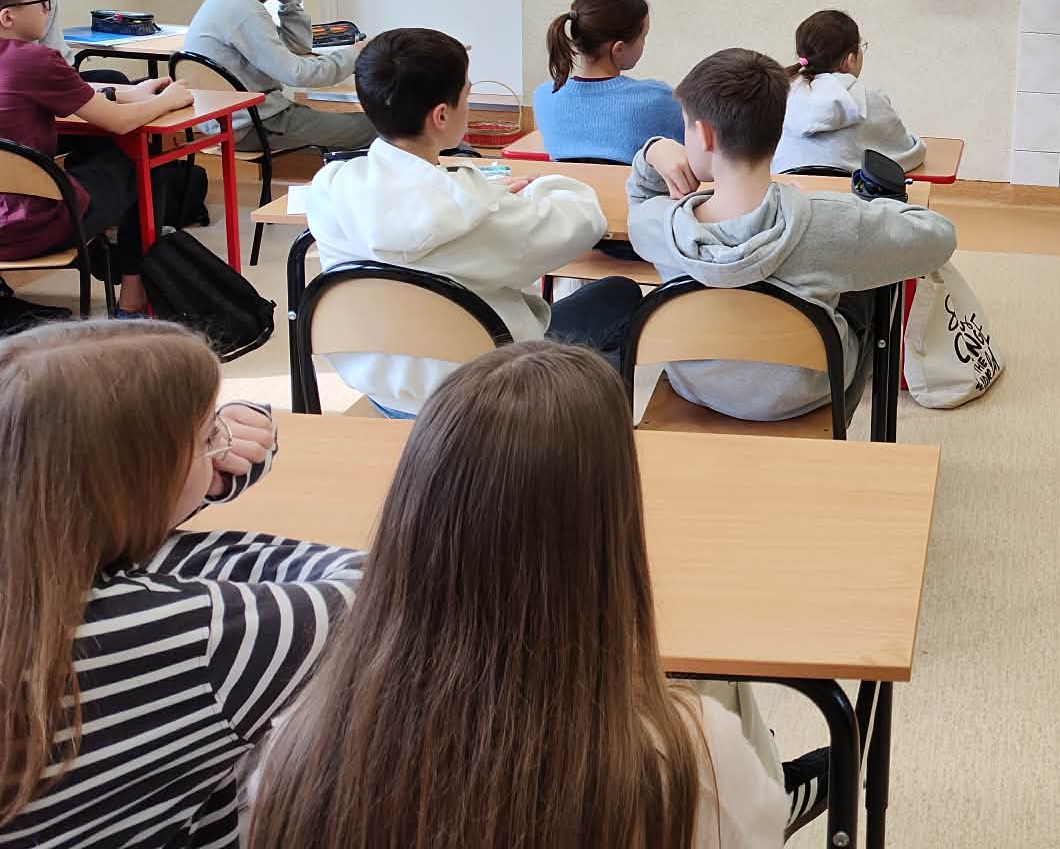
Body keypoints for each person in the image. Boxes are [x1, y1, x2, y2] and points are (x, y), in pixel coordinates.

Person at [246, 342, 792, 849]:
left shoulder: (299, 748)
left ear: (412, 519)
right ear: (611, 520)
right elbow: (762, 829)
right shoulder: (689, 764)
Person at [0, 321, 360, 847]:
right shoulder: (195, 639)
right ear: (137, 483)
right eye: (210, 436)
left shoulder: (35, 570)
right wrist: (188, 488)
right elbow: (379, 589)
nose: (223, 442)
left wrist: (191, 478)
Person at [301, 27, 643, 417]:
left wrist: (476, 191)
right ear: (441, 115)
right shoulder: (483, 215)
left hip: (386, 391)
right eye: (467, 93)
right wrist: (528, 190)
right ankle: (575, 421)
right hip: (489, 393)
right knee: (618, 294)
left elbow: (411, 203)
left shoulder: (329, 189)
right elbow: (584, 221)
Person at [629, 47, 956, 422]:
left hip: (696, 385)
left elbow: (640, 198)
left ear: (703, 135)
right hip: (808, 389)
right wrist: (840, 206)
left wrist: (653, 152)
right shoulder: (831, 220)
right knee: (873, 286)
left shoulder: (658, 225)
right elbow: (939, 237)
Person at [0, 0, 196, 315]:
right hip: (27, 227)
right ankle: (132, 299)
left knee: (94, 153)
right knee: (146, 159)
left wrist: (120, 93)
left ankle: (108, 241)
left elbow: (77, 93)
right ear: (8, 16)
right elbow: (120, 122)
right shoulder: (33, 60)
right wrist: (166, 100)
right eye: (40, 0)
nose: (47, 8)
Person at [182, 0, 376, 156]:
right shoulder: (245, 11)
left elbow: (297, 47)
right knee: (380, 127)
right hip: (253, 125)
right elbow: (298, 74)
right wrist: (356, 54)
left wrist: (288, 1)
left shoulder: (229, 0)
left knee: (353, 124)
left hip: (235, 120)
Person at [532, 0, 683, 162]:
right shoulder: (659, 98)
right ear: (619, 49)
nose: (644, 44)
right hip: (628, 182)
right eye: (643, 37)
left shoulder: (544, 96)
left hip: (567, 182)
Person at [770, 8, 926, 175]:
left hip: (786, 190)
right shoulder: (870, 98)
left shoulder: (781, 96)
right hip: (850, 192)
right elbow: (907, 153)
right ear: (850, 60)